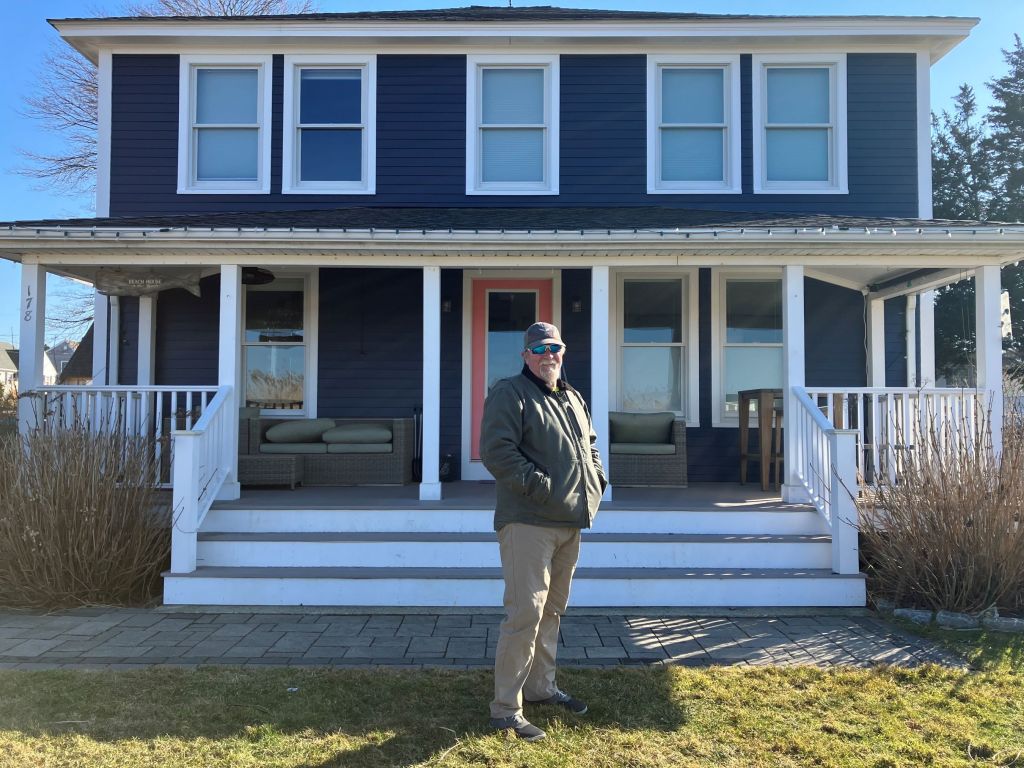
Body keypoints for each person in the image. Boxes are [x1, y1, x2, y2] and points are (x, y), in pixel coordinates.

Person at [480, 321, 607, 742]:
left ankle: (541, 688)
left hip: (570, 520)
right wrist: (540, 485)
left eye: (554, 347)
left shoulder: (571, 396)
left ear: (563, 351)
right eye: (539, 348)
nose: (547, 354)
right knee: (525, 614)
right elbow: (496, 451)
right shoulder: (509, 393)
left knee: (552, 611)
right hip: (528, 521)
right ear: (525, 355)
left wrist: (597, 478)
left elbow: (589, 443)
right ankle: (505, 709)